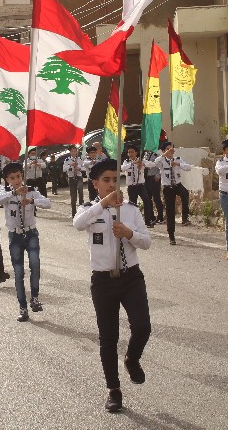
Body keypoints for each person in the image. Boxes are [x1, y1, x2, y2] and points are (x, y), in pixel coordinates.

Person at [73, 159, 152, 414]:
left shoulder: (130, 210)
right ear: (95, 184)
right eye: (105, 180)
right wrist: (103, 205)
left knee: (142, 326)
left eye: (114, 179)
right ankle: (114, 390)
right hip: (103, 281)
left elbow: (146, 242)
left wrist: (129, 233)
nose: (111, 184)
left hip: (131, 276)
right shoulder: (89, 210)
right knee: (108, 338)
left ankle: (132, 359)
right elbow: (78, 223)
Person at [0, 162, 51, 322]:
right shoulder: (5, 192)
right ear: (7, 180)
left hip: (31, 233)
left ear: (22, 176)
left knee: (35, 265)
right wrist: (14, 192)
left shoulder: (32, 191)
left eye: (18, 177)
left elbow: (47, 203)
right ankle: (23, 307)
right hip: (15, 236)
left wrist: (31, 201)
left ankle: (34, 298)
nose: (16, 180)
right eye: (12, 178)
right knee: (18, 272)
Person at [145, 141, 191, 245]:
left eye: (172, 149)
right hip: (168, 188)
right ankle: (171, 236)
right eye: (168, 149)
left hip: (177, 185)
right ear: (164, 151)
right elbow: (155, 163)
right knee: (170, 213)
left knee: (185, 193)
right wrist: (164, 155)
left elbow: (188, 167)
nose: (171, 151)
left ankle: (185, 217)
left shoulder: (178, 159)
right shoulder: (162, 161)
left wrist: (178, 164)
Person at [141, 149, 164, 227]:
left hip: (154, 178)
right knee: (148, 199)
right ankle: (151, 216)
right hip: (146, 178)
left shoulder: (157, 154)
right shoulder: (145, 154)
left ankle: (160, 217)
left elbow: (162, 166)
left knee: (156, 198)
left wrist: (158, 175)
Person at [63, 145, 86, 217]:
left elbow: (84, 168)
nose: (74, 153)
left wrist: (79, 168)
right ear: (70, 152)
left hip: (79, 177)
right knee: (73, 196)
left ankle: (81, 210)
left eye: (75, 151)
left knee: (80, 191)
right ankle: (74, 213)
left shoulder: (79, 159)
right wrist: (71, 166)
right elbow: (64, 169)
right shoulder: (67, 160)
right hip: (71, 177)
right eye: (72, 151)